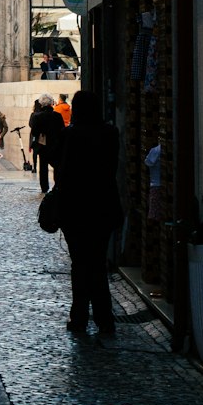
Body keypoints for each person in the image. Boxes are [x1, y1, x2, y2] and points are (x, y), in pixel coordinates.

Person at [56, 89, 123, 336]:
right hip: (103, 206)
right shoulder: (110, 133)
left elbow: (61, 171)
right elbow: (112, 167)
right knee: (97, 262)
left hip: (75, 208)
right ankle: (104, 319)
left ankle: (80, 317)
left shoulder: (69, 135)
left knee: (80, 264)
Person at [29, 93, 65, 194]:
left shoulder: (37, 116)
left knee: (43, 166)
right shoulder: (57, 116)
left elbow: (34, 132)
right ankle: (57, 184)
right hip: (55, 144)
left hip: (43, 145)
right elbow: (62, 130)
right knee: (56, 165)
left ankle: (44, 187)